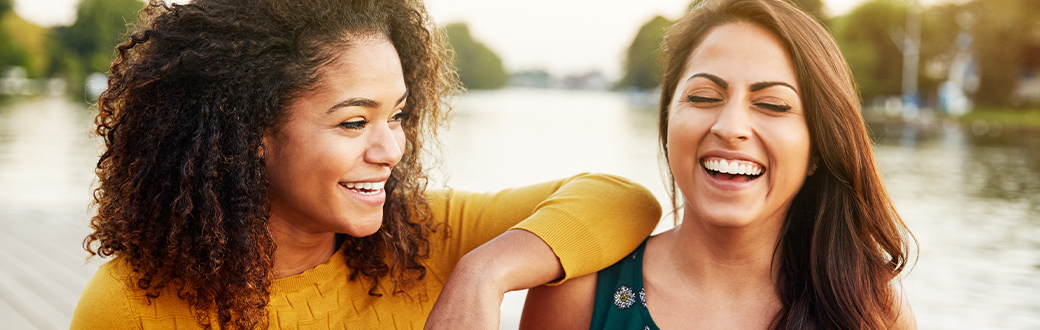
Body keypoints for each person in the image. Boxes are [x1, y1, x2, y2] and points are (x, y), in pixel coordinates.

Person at [70, 0, 662, 329]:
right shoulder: (128, 306)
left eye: (397, 116)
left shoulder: (427, 236)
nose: (390, 150)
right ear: (250, 129)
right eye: (354, 122)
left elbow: (621, 198)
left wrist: (482, 276)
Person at [519, 0, 917, 329]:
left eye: (773, 105)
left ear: (817, 148)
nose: (730, 127)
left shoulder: (870, 311)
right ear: (667, 120)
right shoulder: (580, 293)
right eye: (704, 97)